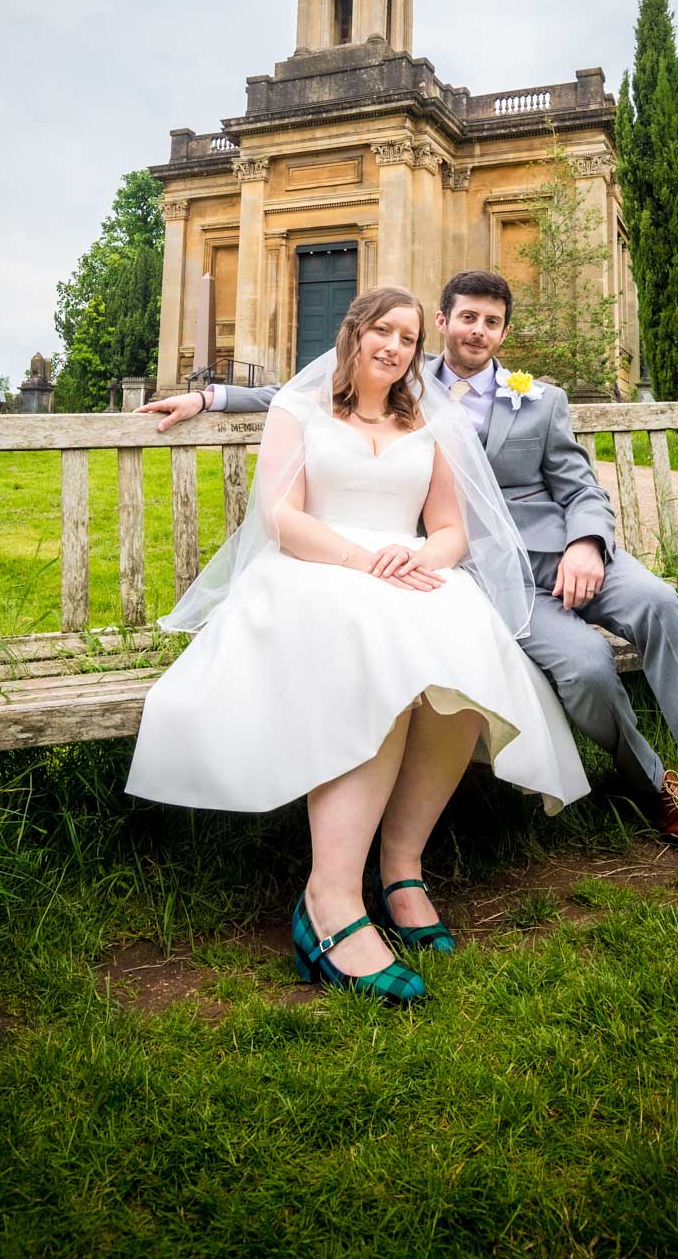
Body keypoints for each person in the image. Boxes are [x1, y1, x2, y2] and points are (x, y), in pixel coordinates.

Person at [144, 270, 678, 930]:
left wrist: (588, 541)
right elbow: (311, 396)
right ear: (442, 324)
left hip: (567, 553)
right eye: (465, 316)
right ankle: (650, 783)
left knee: (661, 605)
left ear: (502, 332)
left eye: (492, 321)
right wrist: (210, 398)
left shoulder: (539, 397)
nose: (477, 329)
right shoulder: (406, 379)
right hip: (488, 577)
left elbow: (578, 482)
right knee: (585, 669)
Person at [127, 286, 588, 1005]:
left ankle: (402, 869)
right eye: (382, 331)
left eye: (407, 338)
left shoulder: (428, 420)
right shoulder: (300, 410)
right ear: (354, 334)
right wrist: (358, 560)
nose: (394, 347)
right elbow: (281, 515)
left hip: (406, 571)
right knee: (381, 658)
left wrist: (425, 562)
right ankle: (331, 899)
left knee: (464, 657)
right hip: (317, 569)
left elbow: (450, 531)